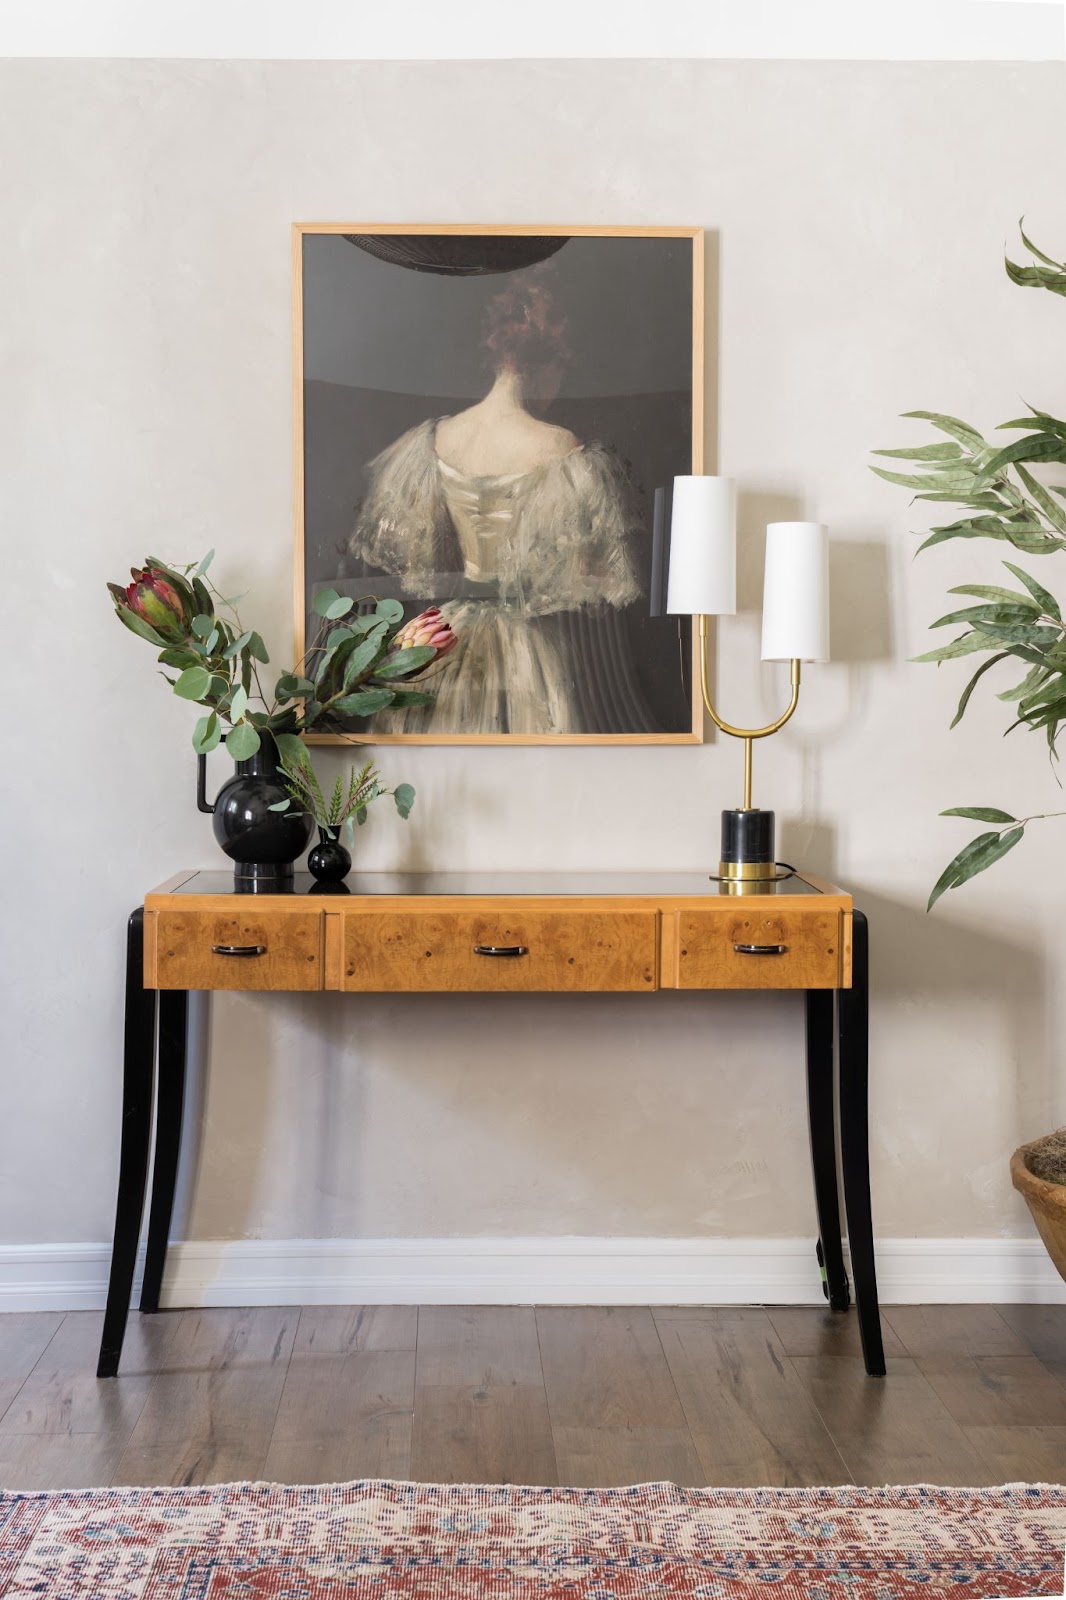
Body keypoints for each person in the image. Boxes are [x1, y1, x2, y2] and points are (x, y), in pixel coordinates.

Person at [349, 270, 654, 735]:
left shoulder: (435, 439)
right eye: (560, 374)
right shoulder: (559, 447)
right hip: (525, 646)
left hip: (447, 637)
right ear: (544, 367)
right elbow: (580, 573)